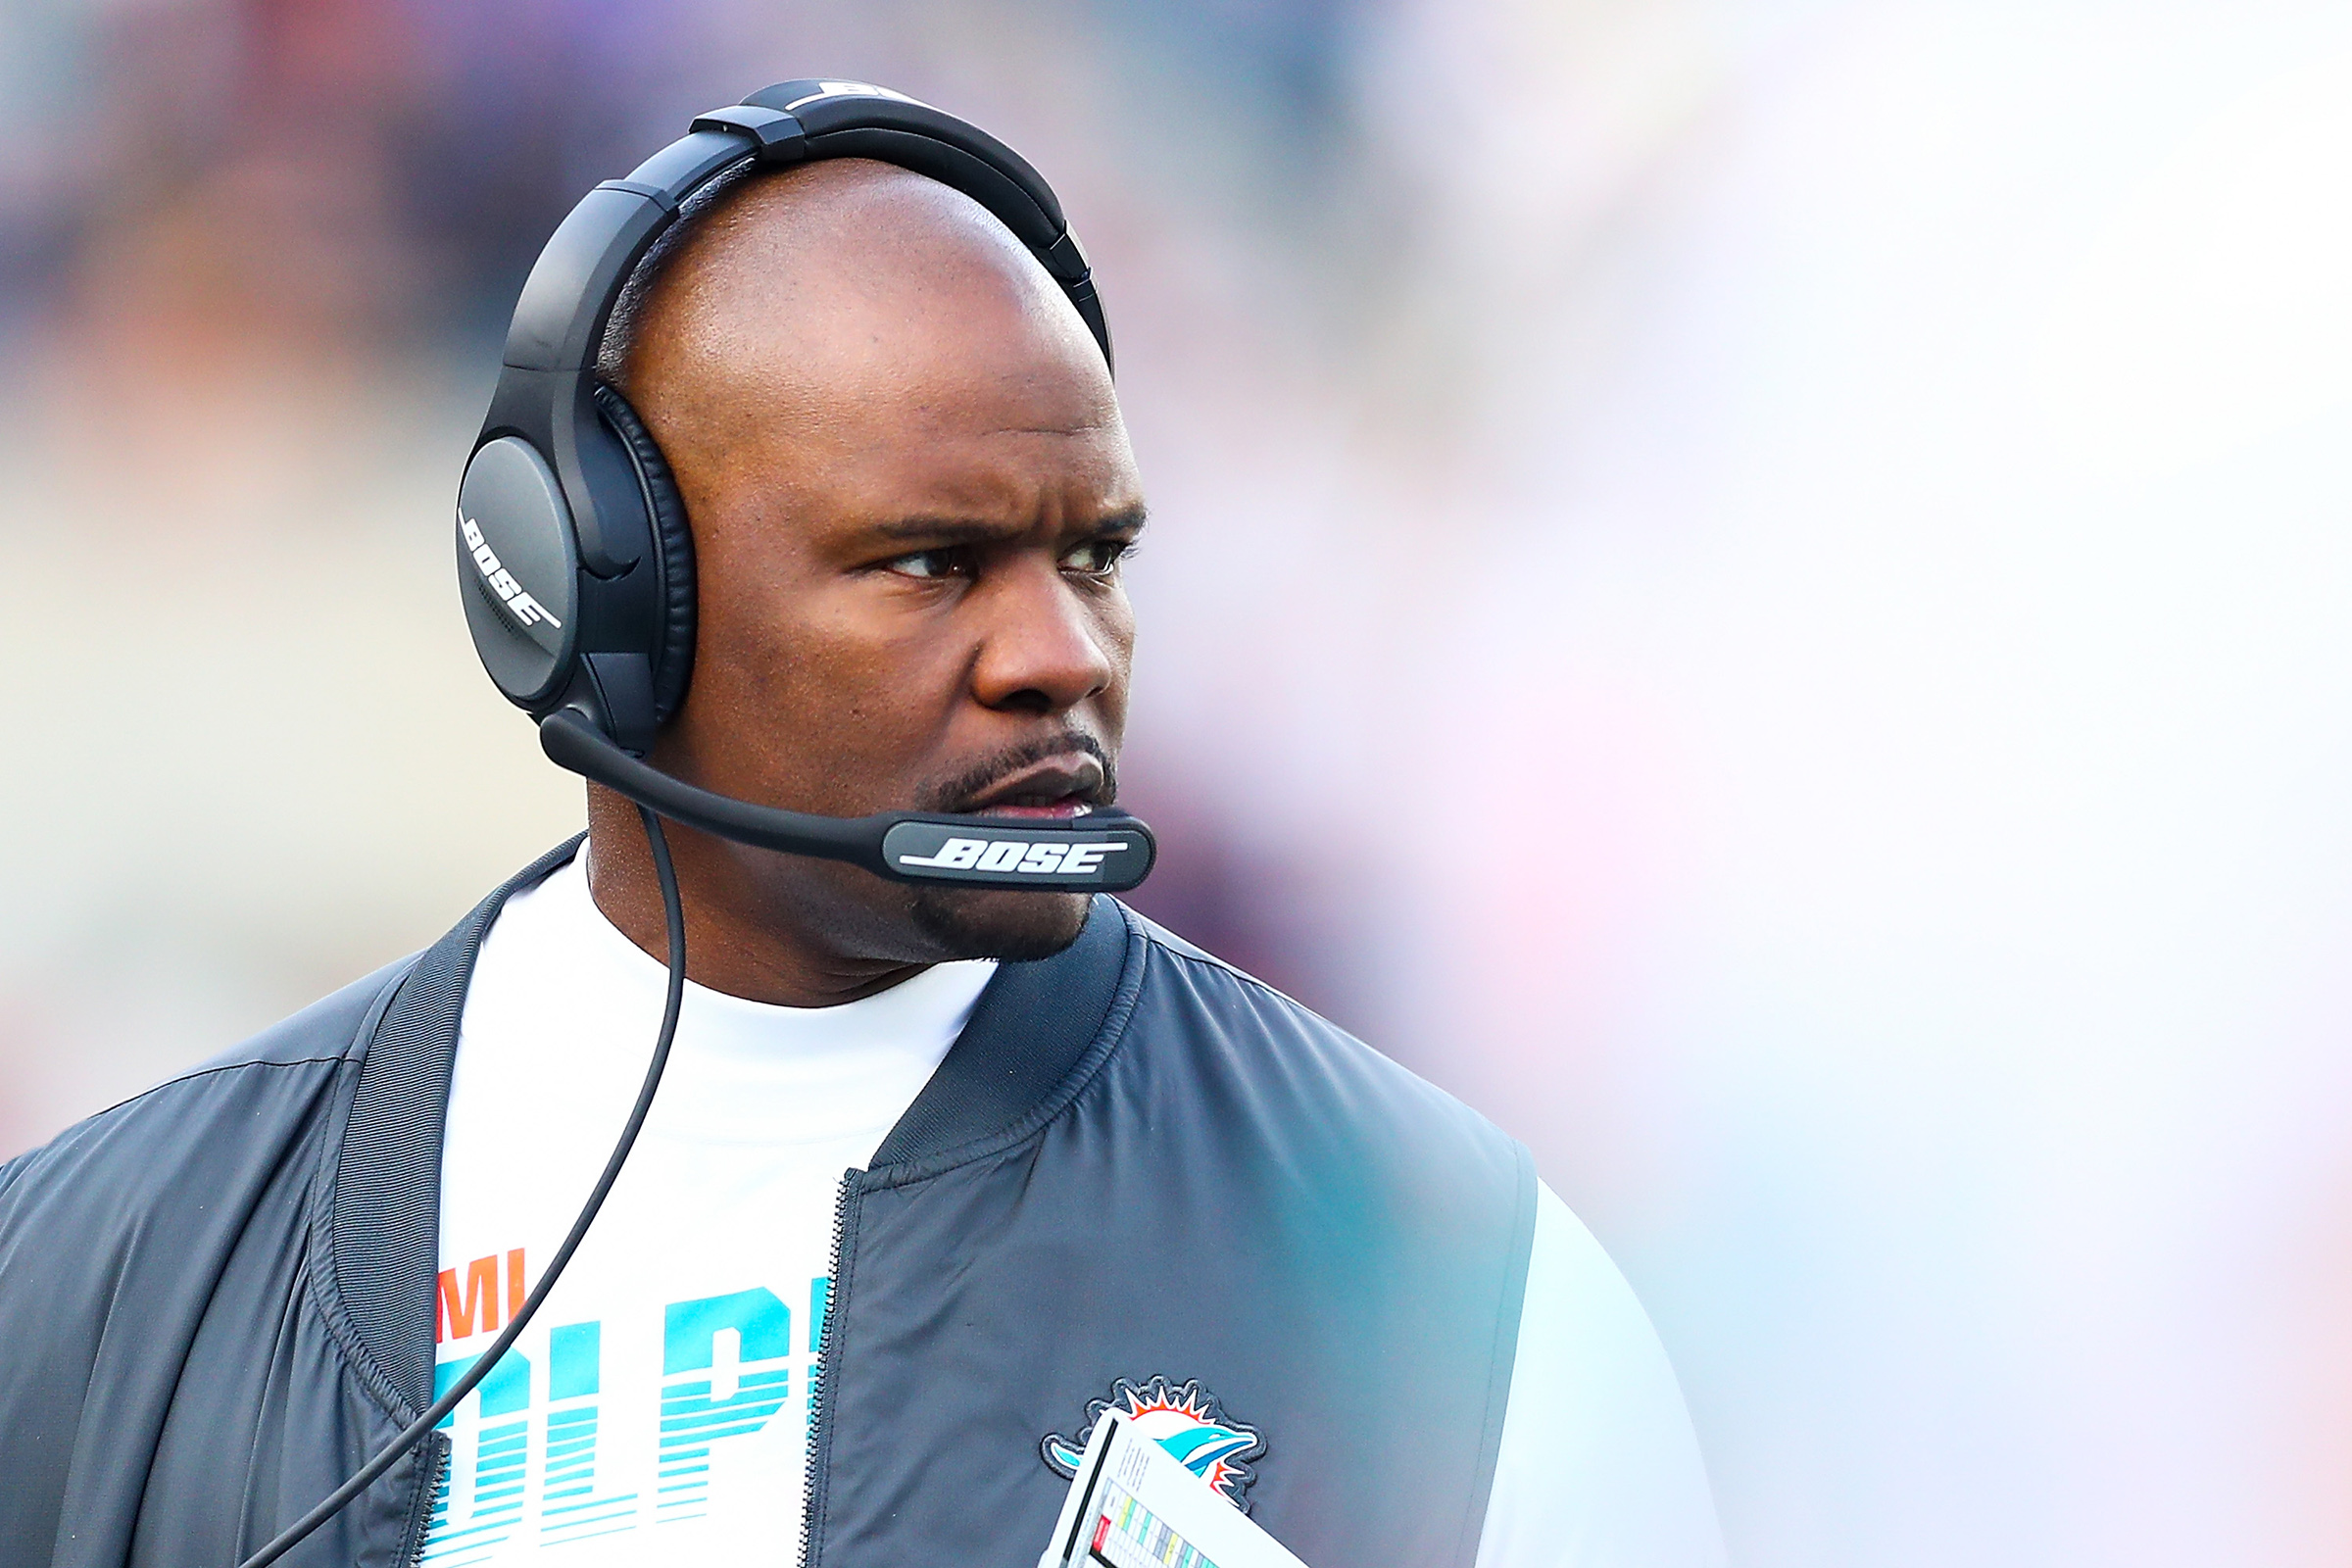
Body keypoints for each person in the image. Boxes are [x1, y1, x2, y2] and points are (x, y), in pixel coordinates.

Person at [0, 85, 1721, 1568]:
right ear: (611, 600)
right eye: (931, 562)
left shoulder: (1461, 1290)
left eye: (1095, 555)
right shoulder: (96, 1272)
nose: (1061, 654)